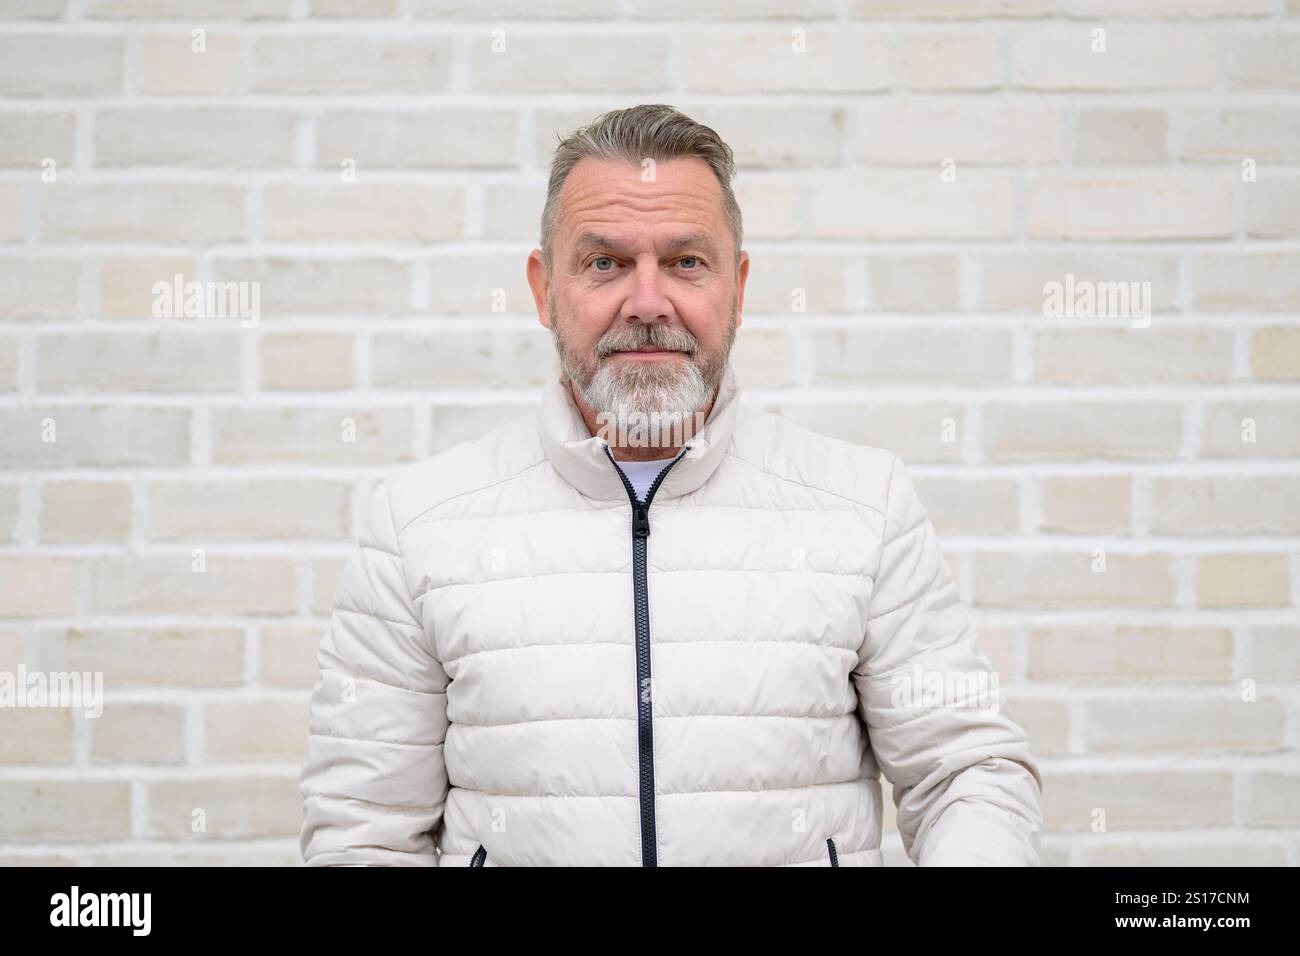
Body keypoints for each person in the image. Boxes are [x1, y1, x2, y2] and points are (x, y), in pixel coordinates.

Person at [298, 104, 1043, 867]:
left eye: (686, 261)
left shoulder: (865, 506)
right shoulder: (419, 526)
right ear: (543, 289)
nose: (647, 303)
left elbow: (966, 772)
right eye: (604, 263)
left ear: (739, 287)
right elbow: (364, 830)